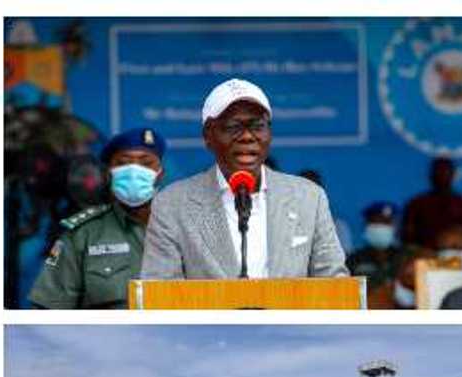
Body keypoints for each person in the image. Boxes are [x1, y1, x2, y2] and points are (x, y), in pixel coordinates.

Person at [140, 78, 347, 279]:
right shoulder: (172, 204)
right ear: (208, 136)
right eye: (233, 127)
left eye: (257, 126)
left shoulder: (309, 198)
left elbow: (335, 285)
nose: (247, 136)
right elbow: (160, 291)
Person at [28, 127, 166, 308]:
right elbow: (47, 309)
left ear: (160, 173)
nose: (134, 172)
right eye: (123, 163)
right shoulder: (81, 235)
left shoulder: (185, 226)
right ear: (108, 174)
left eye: (146, 163)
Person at [399, 157, 462, 251]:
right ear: (431, 175)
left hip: (457, 256)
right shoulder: (416, 204)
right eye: (438, 171)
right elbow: (407, 236)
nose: (442, 175)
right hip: (423, 255)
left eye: (446, 171)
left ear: (453, 175)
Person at [346, 202, 407, 300]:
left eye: (385, 222)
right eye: (375, 222)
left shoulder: (405, 257)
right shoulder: (353, 260)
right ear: (366, 226)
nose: (380, 227)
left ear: (394, 227)